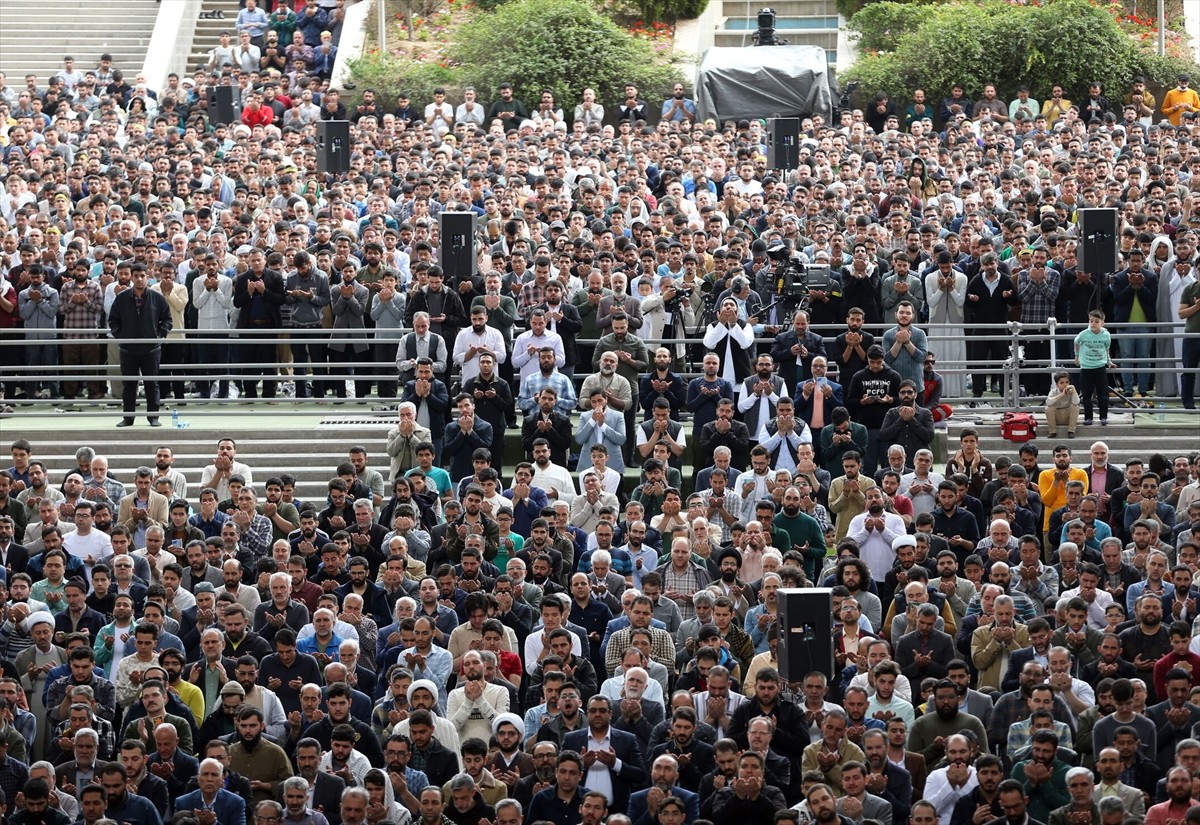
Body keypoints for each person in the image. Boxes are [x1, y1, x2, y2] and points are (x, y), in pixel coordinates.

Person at [107, 265, 171, 427]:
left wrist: (159, 334)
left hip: (151, 349)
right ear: (132, 278)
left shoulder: (157, 298)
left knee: (152, 384)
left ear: (147, 276)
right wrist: (121, 336)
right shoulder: (122, 298)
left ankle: (153, 417)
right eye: (136, 276)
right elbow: (113, 320)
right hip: (128, 349)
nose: (139, 279)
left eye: (142, 275)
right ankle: (128, 417)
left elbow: (167, 319)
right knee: (129, 385)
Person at [1074, 310, 1114, 426]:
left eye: (1096, 321)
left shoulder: (1106, 335)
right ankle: (1088, 417)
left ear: (1102, 323)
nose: (1093, 324)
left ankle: (1103, 417)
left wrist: (1109, 362)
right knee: (1086, 394)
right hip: (1086, 368)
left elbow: (1106, 350)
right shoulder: (1083, 334)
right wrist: (1077, 356)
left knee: (1103, 394)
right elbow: (1076, 342)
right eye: (1091, 321)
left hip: (1100, 367)